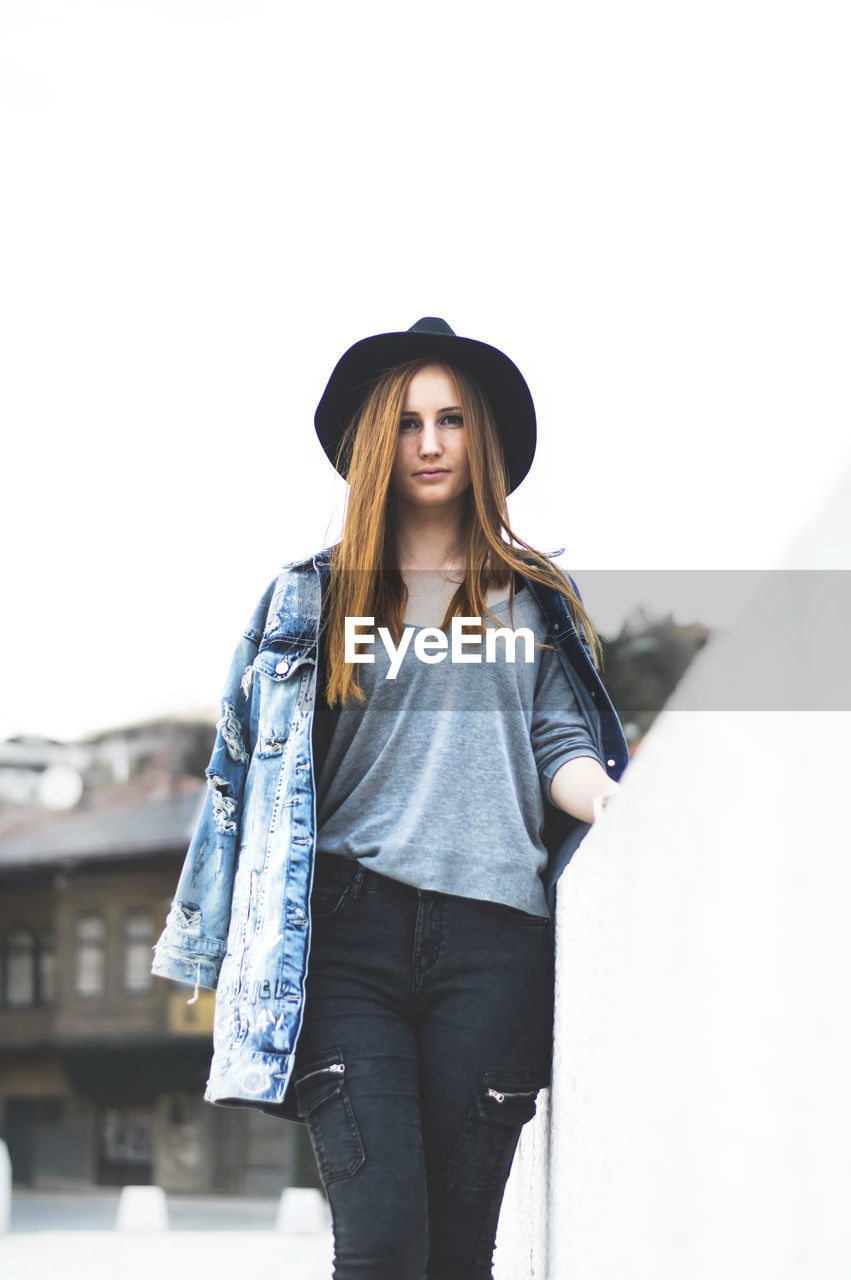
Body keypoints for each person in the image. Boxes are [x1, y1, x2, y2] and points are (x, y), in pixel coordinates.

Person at [152, 316, 628, 1280]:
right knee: (378, 1249)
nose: (431, 442)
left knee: (457, 1260)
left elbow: (558, 742)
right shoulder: (308, 600)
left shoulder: (532, 600)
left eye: (452, 419)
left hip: (494, 942)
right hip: (347, 943)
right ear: (376, 441)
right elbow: (243, 775)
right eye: (408, 422)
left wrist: (615, 804)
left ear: (479, 439)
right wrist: (207, 937)